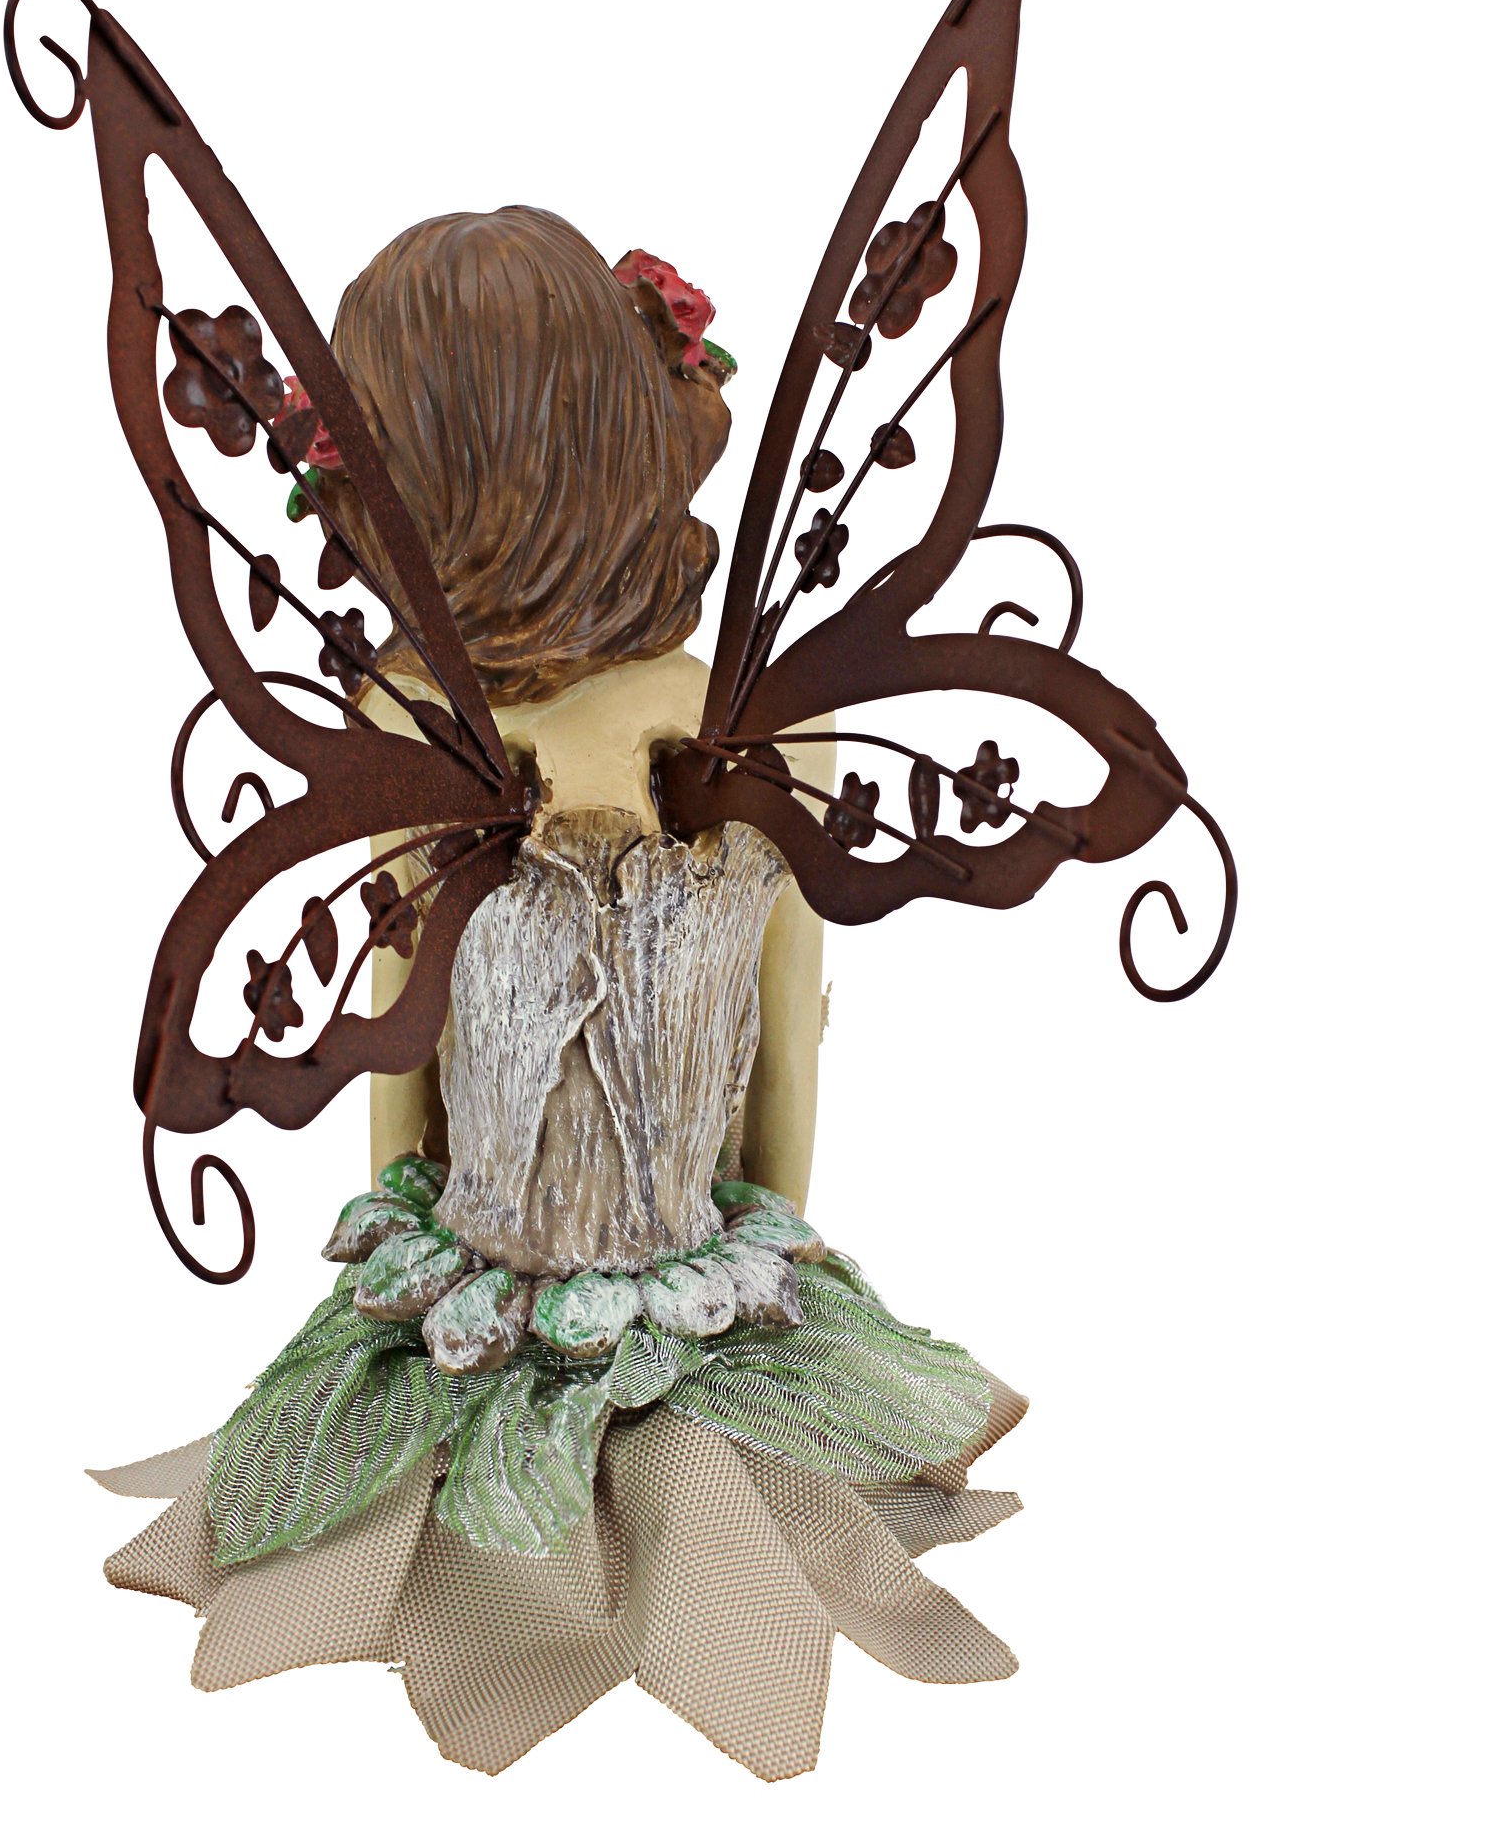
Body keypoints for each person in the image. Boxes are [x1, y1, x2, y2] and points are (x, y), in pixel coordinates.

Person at [95, 206, 1025, 1780]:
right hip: (661, 1258)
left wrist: (406, 1259)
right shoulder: (752, 721)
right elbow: (784, 1052)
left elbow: (400, 1038)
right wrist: (766, 1260)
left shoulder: (409, 717)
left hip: (535, 1270)